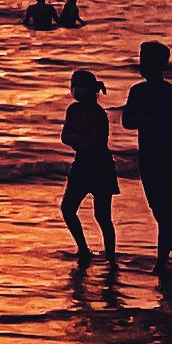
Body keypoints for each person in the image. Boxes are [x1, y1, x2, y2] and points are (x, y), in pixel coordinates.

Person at [125, 41, 172, 268]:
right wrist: (149, 118)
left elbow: (163, 122)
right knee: (161, 212)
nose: (142, 65)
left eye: (145, 60)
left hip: (168, 158)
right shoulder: (138, 91)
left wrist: (147, 118)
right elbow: (127, 121)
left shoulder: (170, 93)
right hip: (149, 157)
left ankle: (166, 263)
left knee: (163, 213)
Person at [57, 67, 119, 258]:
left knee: (102, 216)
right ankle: (83, 249)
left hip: (100, 166)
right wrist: (78, 140)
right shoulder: (73, 110)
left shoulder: (99, 114)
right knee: (68, 209)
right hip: (82, 164)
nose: (74, 90)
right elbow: (65, 136)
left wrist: (78, 140)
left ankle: (110, 255)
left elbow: (94, 142)